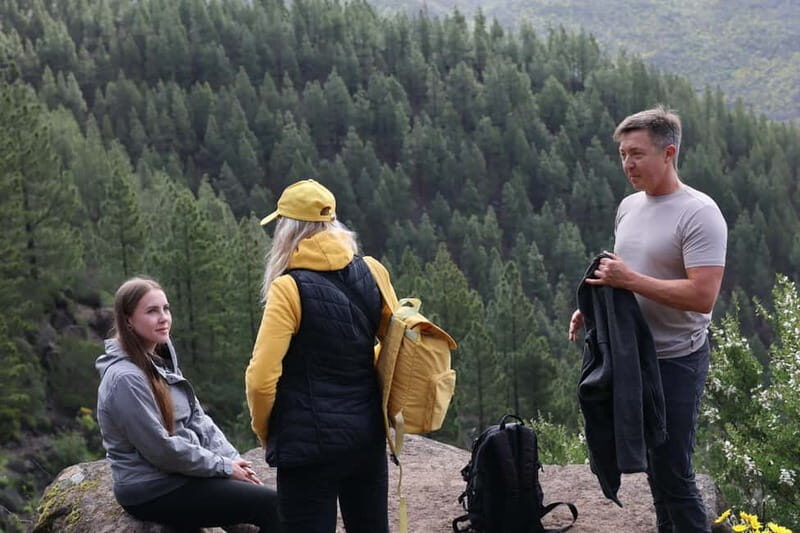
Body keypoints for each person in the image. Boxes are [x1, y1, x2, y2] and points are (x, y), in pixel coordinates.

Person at [568, 106, 727, 533]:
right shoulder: (629, 207)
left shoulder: (699, 213)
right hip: (632, 359)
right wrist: (593, 309)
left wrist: (630, 280)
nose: (628, 164)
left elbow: (702, 296)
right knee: (654, 467)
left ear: (668, 153)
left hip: (676, 360)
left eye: (637, 154)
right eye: (623, 154)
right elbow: (625, 275)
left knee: (674, 471)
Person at [246, 179, 395, 533]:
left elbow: (261, 379)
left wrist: (267, 432)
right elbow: (394, 348)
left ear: (288, 229)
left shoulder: (289, 288)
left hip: (308, 447)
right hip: (366, 435)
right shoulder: (372, 270)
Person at [96, 277, 281, 531]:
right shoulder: (125, 379)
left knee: (261, 506)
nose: (163, 318)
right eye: (152, 311)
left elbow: (199, 420)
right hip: (150, 488)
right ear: (128, 320)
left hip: (178, 475)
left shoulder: (160, 359)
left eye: (166, 309)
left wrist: (234, 462)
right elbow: (160, 449)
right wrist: (223, 467)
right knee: (273, 506)